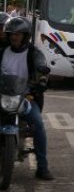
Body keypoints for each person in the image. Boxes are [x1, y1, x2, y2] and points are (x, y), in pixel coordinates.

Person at [0, 17, 53, 180]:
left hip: (25, 97)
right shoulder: (2, 52)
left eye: (18, 34)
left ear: (25, 36)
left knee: (37, 123)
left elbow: (40, 64)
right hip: (2, 96)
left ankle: (42, 167)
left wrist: (42, 77)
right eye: (11, 34)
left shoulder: (33, 53)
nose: (14, 37)